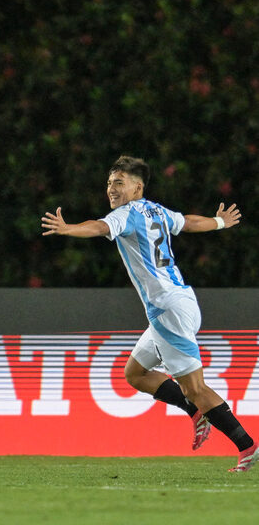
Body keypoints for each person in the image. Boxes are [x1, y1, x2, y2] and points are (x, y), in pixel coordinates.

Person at [41, 155, 257, 472]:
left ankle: (247, 446)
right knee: (136, 374)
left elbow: (100, 227)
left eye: (119, 182)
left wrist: (68, 228)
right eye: (109, 183)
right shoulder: (156, 210)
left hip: (169, 310)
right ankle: (194, 411)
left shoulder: (126, 215)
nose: (111, 189)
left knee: (195, 388)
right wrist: (219, 222)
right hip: (178, 302)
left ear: (137, 187)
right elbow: (187, 222)